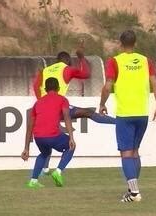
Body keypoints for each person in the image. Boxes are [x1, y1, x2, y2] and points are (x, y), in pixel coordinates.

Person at [99, 30, 156, 202]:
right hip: (142, 114)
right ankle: (131, 190)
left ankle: (134, 193)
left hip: (125, 114)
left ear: (120, 43)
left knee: (126, 154)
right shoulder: (145, 61)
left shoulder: (115, 61)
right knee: (134, 153)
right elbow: (155, 84)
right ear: (135, 43)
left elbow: (107, 86)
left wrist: (102, 103)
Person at [33, 41, 116, 174]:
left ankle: (45, 168)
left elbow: (36, 86)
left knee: (48, 134)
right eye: (70, 60)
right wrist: (81, 57)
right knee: (88, 113)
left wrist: (42, 104)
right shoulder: (66, 69)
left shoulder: (45, 71)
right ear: (66, 60)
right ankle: (118, 122)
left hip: (44, 109)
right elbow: (86, 74)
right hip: (58, 108)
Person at [22, 77, 76, 188]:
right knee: (71, 147)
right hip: (53, 136)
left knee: (44, 153)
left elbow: (29, 127)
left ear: (45, 89)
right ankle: (58, 171)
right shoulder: (62, 100)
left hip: (38, 138)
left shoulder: (37, 103)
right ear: (58, 88)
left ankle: (33, 181)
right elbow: (67, 118)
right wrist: (71, 137)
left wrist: (26, 148)